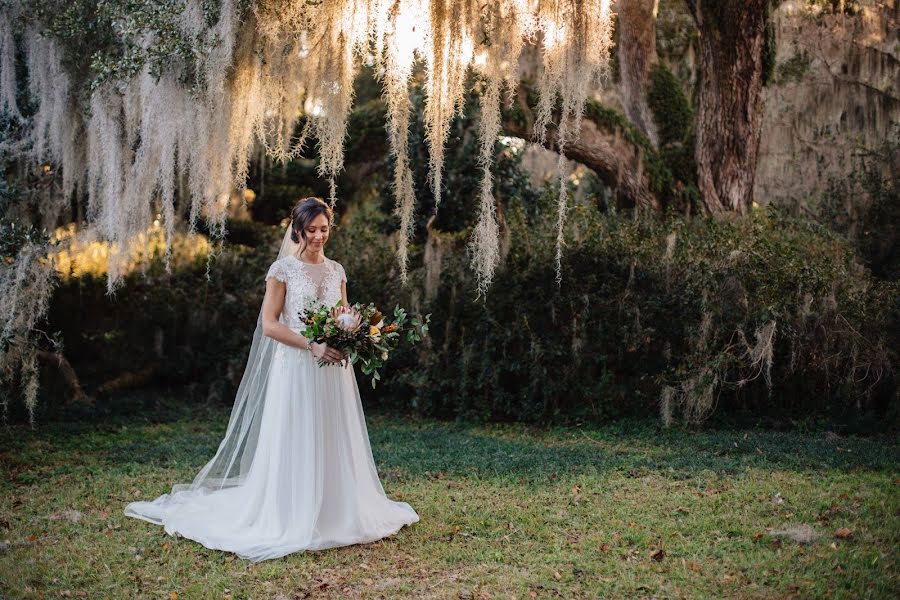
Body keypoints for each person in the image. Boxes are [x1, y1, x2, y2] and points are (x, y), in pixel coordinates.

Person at [124, 197, 419, 562]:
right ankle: (291, 512)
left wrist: (352, 334)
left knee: (331, 432)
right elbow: (270, 325)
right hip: (295, 366)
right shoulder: (282, 270)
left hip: (332, 369)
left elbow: (344, 314)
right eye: (311, 230)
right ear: (297, 229)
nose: (318, 237)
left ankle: (337, 511)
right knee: (296, 433)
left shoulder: (337, 270)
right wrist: (311, 344)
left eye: (324, 229)